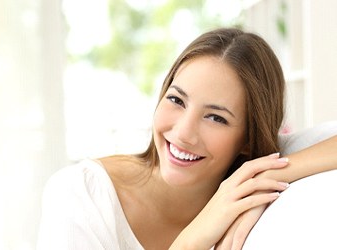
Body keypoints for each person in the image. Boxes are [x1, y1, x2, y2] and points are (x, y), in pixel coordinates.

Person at [37, 28, 337, 250]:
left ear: (248, 139)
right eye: (177, 100)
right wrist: (191, 241)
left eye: (216, 117)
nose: (182, 132)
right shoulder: (82, 195)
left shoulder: (250, 173)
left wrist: (267, 175)